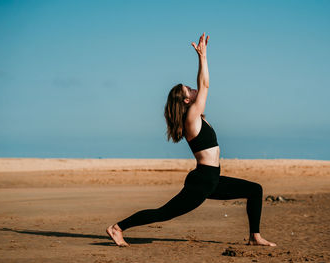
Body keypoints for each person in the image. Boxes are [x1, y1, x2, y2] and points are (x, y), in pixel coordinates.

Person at [106, 33, 276, 247]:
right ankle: (117, 228)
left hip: (211, 178)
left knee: (255, 190)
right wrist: (203, 56)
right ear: (187, 100)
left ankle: (255, 236)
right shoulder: (191, 117)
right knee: (164, 213)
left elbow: (202, 86)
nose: (194, 89)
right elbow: (204, 84)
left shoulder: (197, 117)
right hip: (203, 181)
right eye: (190, 89)